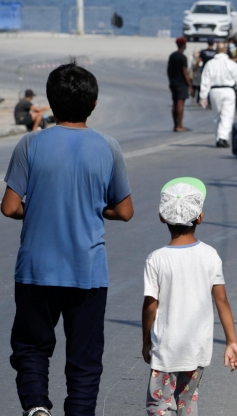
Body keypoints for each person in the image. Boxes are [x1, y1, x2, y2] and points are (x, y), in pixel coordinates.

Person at [2, 62, 134, 416]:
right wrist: (95, 209)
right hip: (87, 271)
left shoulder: (30, 144)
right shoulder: (109, 147)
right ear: (92, 105)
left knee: (30, 347)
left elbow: (10, 206)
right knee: (85, 357)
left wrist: (39, 207)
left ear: (50, 101)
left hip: (36, 269)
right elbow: (124, 211)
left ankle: (36, 406)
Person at [142, 177, 237, 414]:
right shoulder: (210, 255)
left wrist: (146, 341)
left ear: (162, 217)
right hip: (197, 349)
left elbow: (150, 307)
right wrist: (232, 341)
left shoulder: (156, 259)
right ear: (200, 217)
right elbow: (222, 301)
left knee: (160, 406)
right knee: (187, 404)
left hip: (166, 350)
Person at [199, 43, 237, 148]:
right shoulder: (232, 64)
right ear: (225, 50)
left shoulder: (210, 64)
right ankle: (222, 137)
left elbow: (205, 80)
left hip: (214, 91)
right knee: (227, 115)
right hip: (228, 91)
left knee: (217, 115)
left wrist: (203, 96)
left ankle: (219, 137)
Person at [166, 38, 193, 132]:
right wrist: (190, 86)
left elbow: (168, 70)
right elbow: (185, 72)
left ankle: (175, 125)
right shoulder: (183, 57)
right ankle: (179, 125)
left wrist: (170, 81)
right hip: (181, 83)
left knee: (174, 103)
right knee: (180, 104)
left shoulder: (172, 56)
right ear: (183, 45)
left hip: (173, 82)